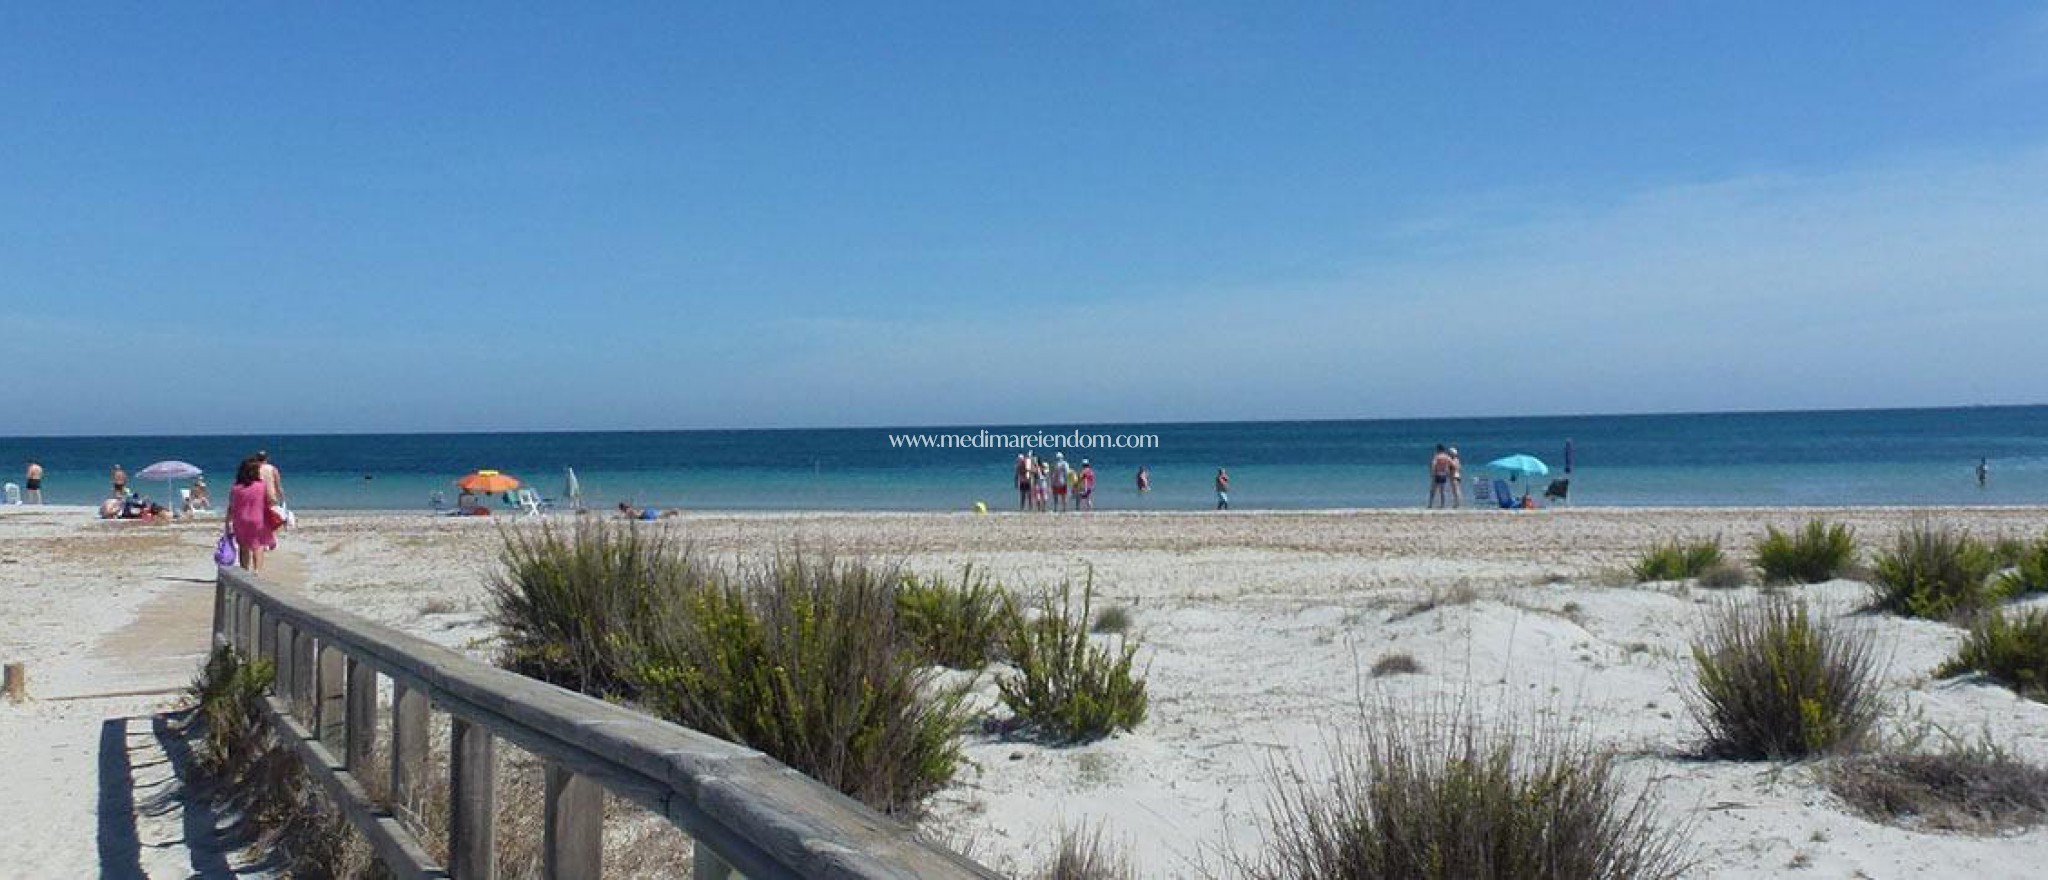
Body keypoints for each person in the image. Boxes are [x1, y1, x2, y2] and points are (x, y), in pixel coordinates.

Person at [229, 457, 278, 572]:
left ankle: (244, 571)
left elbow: (231, 507)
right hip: (257, 519)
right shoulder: (260, 486)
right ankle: (257, 571)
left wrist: (227, 523)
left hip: (240, 520)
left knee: (243, 546)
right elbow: (271, 500)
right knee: (258, 545)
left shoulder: (236, 488)